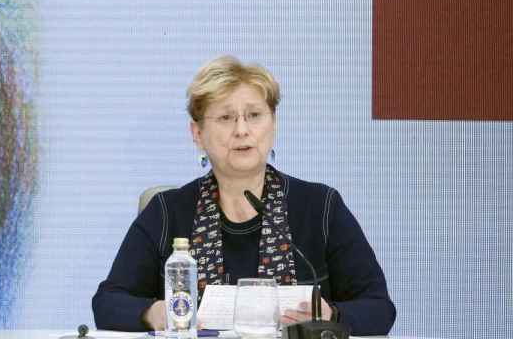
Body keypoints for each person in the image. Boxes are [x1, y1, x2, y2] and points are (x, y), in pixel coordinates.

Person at [92, 56, 395, 336]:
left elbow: (379, 308)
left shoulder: (320, 207)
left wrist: (332, 314)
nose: (242, 130)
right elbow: (108, 303)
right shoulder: (167, 212)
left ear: (273, 125)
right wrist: (154, 313)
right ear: (197, 134)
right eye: (225, 118)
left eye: (254, 115)